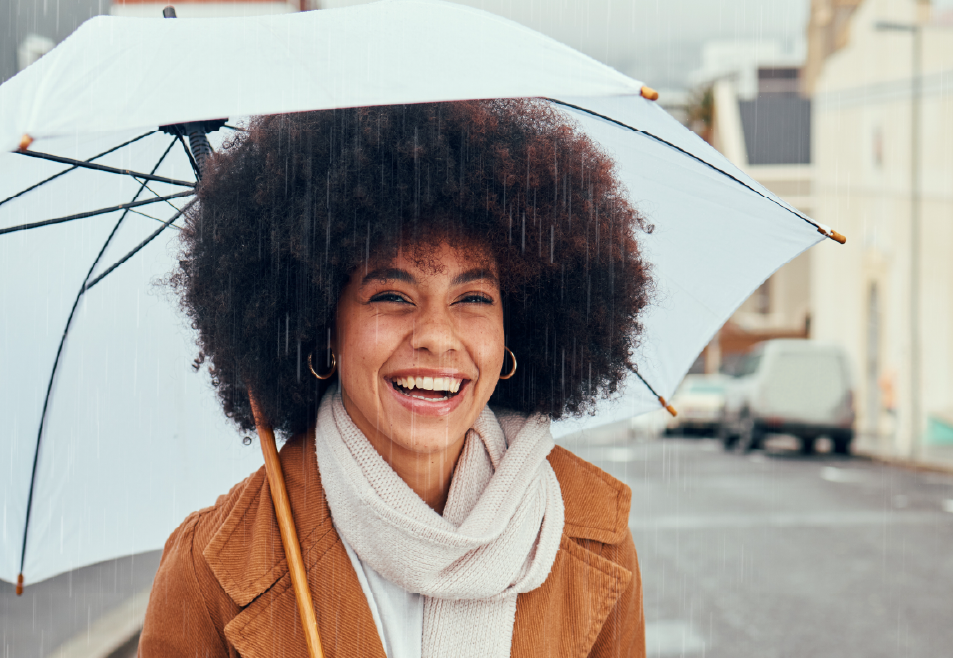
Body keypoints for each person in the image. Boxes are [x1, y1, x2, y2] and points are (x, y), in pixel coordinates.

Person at [141, 99, 652, 658]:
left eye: (473, 298)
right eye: (391, 295)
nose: (437, 335)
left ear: (515, 329)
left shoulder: (593, 534)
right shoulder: (211, 571)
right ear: (323, 326)